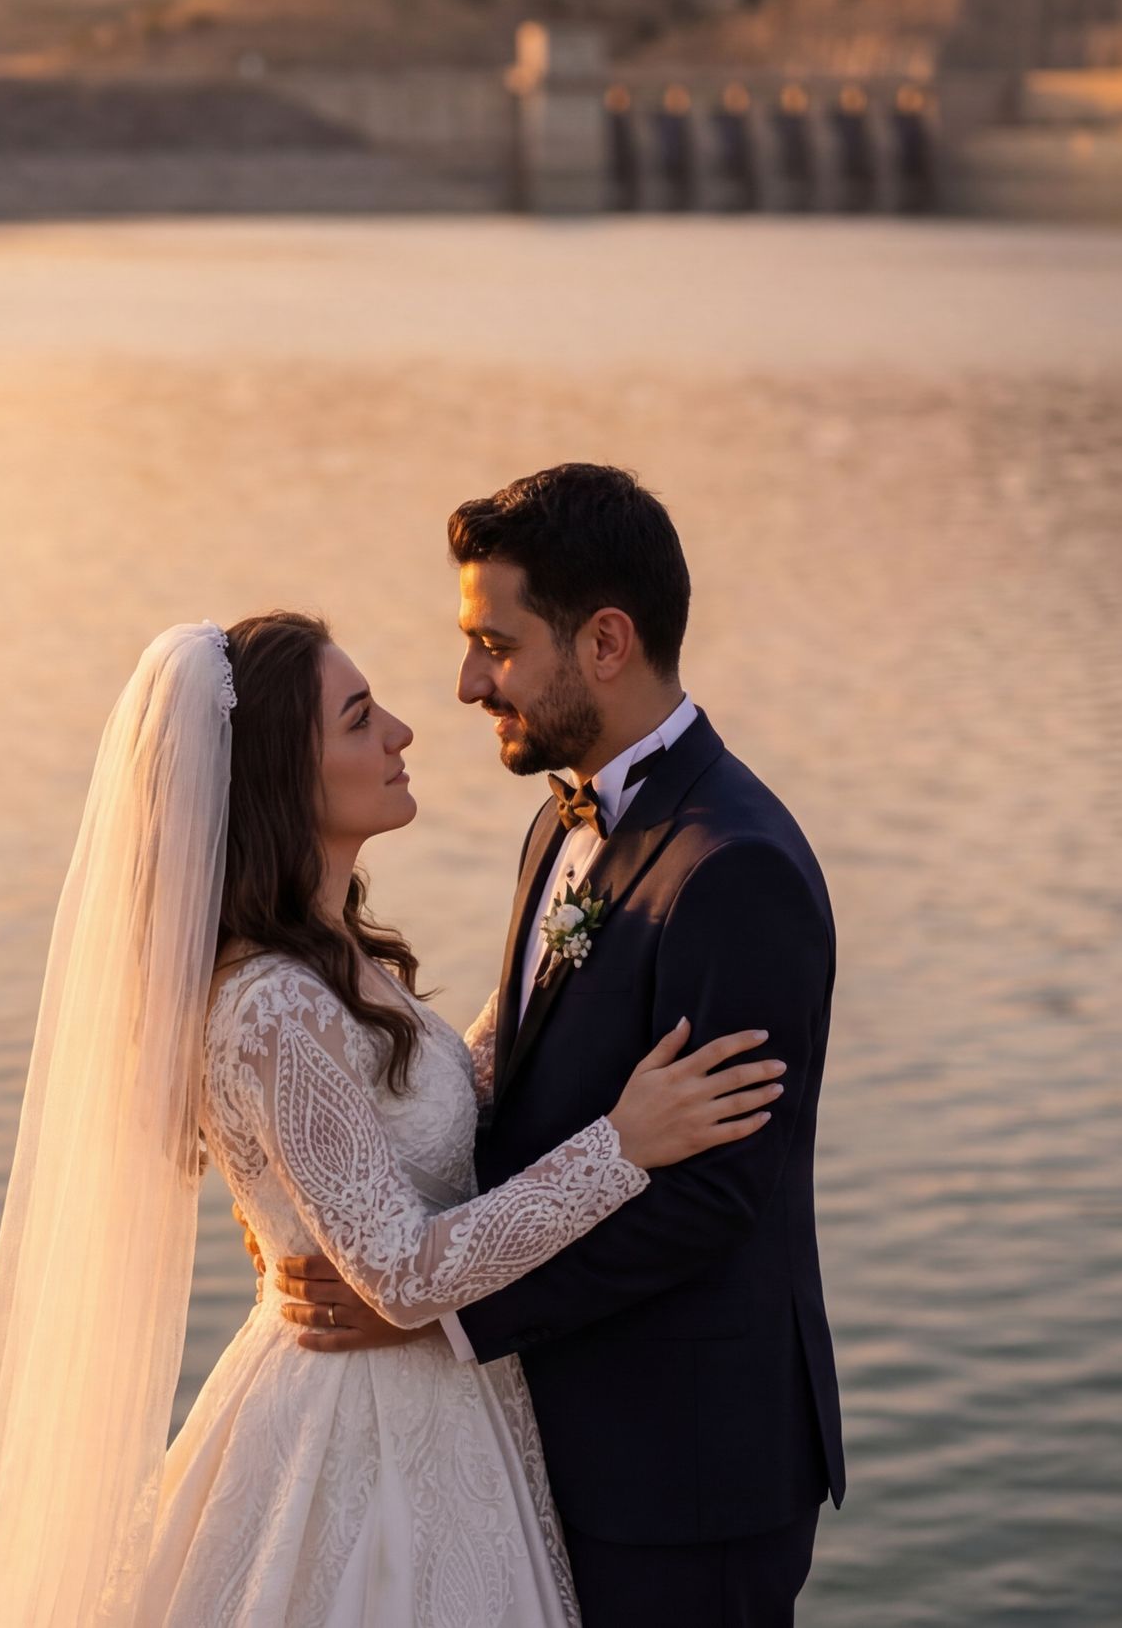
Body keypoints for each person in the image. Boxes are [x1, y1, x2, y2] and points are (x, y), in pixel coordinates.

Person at [0, 609, 783, 1627]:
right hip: (358, 1438)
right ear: (284, 782)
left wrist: (562, 967)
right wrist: (620, 1148)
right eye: (359, 719)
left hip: (438, 1412)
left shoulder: (328, 964)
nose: (403, 733)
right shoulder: (271, 1004)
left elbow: (416, 1099)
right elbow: (404, 1276)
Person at [266, 464, 846, 1624]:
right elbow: (510, 1088)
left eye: (497, 643)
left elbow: (709, 1198)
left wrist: (433, 1312)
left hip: (683, 1470)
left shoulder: (734, 872)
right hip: (551, 1442)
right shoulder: (561, 822)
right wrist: (309, 1186)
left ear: (606, 643)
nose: (470, 681)